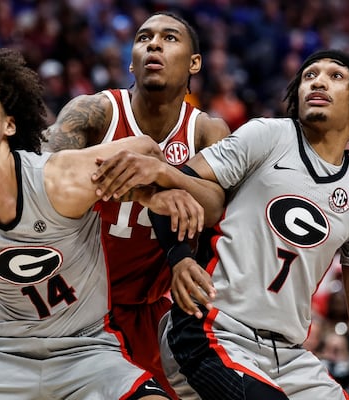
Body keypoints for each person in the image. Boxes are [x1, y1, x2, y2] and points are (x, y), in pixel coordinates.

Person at [92, 49, 349, 399]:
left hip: (289, 355)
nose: (318, 81)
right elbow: (172, 187)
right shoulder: (267, 136)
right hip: (211, 328)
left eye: (335, 76)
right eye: (309, 76)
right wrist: (179, 256)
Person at [0, 46, 199, 399]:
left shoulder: (60, 180)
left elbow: (147, 148)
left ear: (9, 124)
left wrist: (143, 190)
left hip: (85, 352)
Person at [42, 11, 229, 397]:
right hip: (76, 305)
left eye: (169, 38)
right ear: (131, 61)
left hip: (153, 308)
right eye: (144, 38)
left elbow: (214, 207)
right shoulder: (93, 112)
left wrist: (165, 174)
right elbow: (42, 181)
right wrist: (149, 191)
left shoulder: (208, 130)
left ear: (195, 62)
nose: (154, 44)